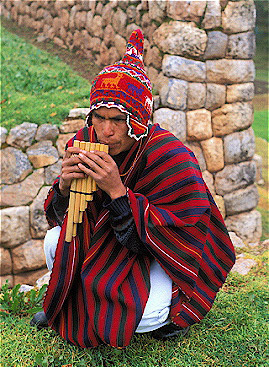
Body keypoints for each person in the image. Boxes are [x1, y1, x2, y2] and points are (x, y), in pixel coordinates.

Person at [30, 30, 235, 349]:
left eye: (118, 120)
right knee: (55, 240)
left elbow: (183, 237)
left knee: (146, 317)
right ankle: (77, 300)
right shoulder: (84, 143)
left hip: (162, 252)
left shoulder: (171, 157)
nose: (106, 131)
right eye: (99, 117)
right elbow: (61, 218)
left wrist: (118, 193)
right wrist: (65, 187)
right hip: (108, 243)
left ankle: (169, 312)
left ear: (139, 119)